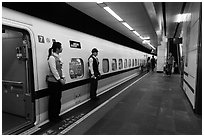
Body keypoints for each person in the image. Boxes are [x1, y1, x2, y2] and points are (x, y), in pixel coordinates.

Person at [46, 41, 65, 122]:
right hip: (53, 82)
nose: (62, 48)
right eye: (61, 47)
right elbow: (54, 70)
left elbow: (60, 68)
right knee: (53, 100)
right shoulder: (52, 58)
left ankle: (56, 115)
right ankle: (52, 117)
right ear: (57, 49)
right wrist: (59, 79)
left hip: (58, 82)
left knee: (58, 99)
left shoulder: (58, 57)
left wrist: (63, 77)